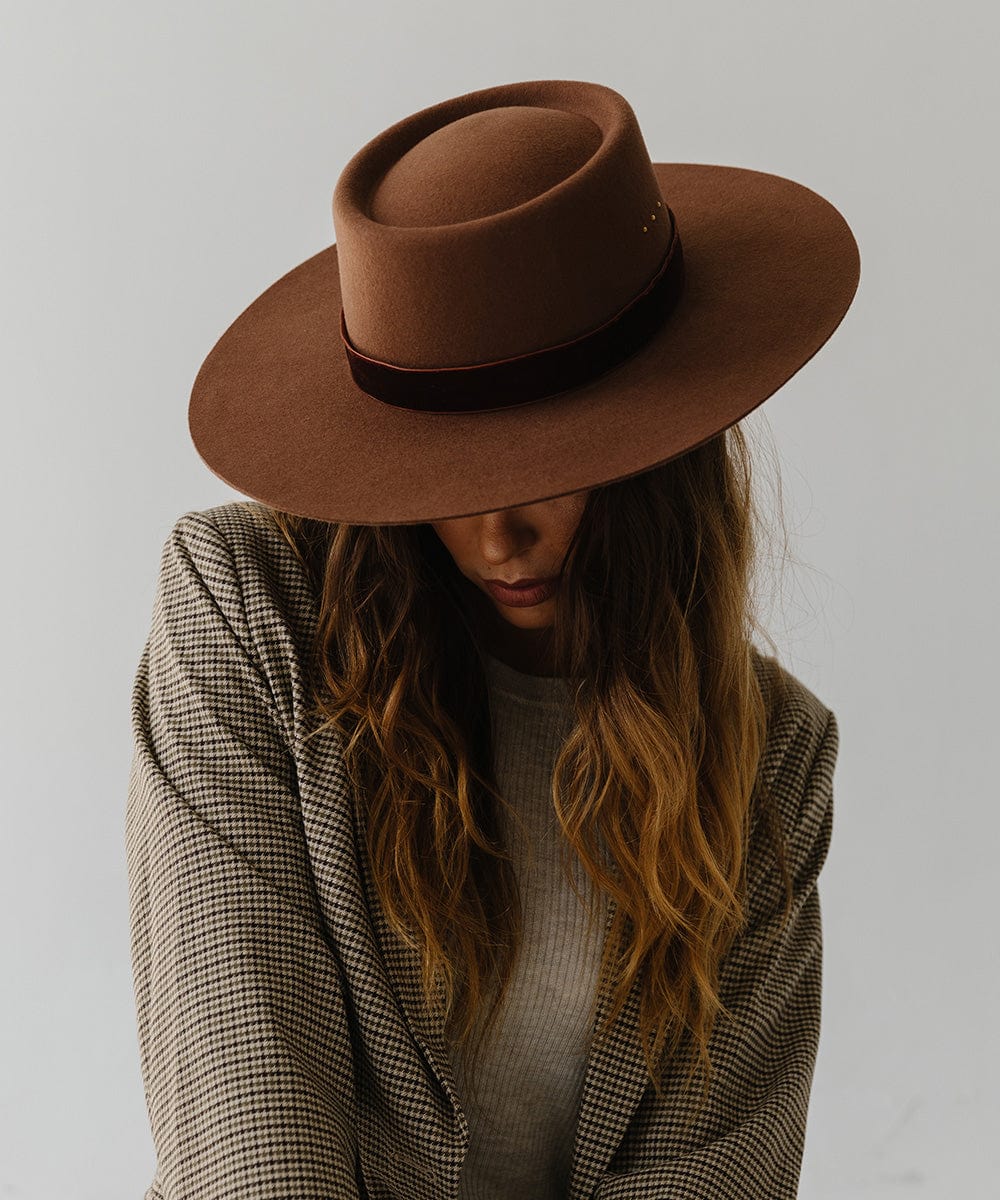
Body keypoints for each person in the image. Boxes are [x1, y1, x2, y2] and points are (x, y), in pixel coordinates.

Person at [126, 78, 859, 1200]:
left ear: (660, 453)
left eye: (548, 470)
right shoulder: (248, 611)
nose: (495, 532)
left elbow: (709, 1176)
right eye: (445, 477)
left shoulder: (770, 760)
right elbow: (249, 1118)